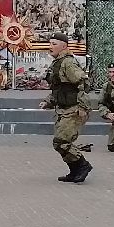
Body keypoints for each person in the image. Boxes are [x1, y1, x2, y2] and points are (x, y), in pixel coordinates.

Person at [41, 34, 91, 183]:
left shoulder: (67, 63)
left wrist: (83, 106)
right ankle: (74, 171)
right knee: (59, 143)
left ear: (64, 46)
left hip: (74, 108)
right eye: (50, 43)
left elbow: (82, 83)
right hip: (63, 109)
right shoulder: (57, 63)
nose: (50, 46)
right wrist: (48, 101)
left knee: (62, 141)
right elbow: (60, 88)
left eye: (54, 44)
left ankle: (83, 165)